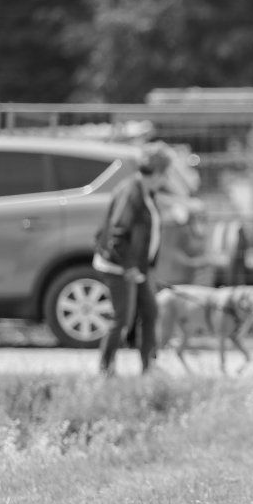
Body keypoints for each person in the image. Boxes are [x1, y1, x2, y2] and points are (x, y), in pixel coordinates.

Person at [93, 141, 171, 376]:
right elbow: (118, 235)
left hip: (139, 268)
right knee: (123, 318)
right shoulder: (131, 192)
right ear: (157, 173)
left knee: (150, 312)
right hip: (119, 266)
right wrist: (129, 268)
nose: (167, 179)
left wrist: (143, 267)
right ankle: (106, 368)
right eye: (166, 174)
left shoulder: (148, 193)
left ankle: (149, 365)